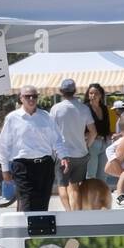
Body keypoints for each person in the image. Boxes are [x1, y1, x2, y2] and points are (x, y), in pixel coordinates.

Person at [0, 85, 71, 211]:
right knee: (26, 204)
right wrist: (5, 169)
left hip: (45, 166)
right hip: (22, 166)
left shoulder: (46, 117)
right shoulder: (12, 118)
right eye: (27, 96)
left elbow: (57, 140)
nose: (31, 98)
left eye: (34, 96)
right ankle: (23, 230)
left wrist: (63, 156)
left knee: (42, 204)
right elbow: (3, 145)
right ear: (21, 98)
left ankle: (40, 230)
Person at [49, 78, 96, 210]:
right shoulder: (84, 108)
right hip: (81, 153)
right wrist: (87, 146)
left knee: (62, 185)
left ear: (61, 92)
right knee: (75, 186)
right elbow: (93, 132)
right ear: (75, 91)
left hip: (63, 154)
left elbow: (51, 133)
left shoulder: (56, 109)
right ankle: (75, 215)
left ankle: (69, 212)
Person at [83, 83, 112, 180]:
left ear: (101, 95)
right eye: (90, 93)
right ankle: (90, 195)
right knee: (91, 174)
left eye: (96, 93)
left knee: (103, 175)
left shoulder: (104, 108)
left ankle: (101, 195)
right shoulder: (85, 108)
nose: (93, 96)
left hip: (104, 142)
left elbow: (107, 127)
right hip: (92, 143)